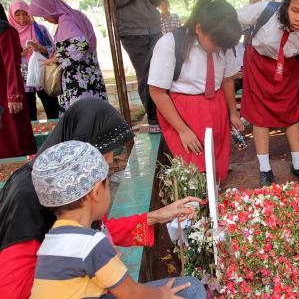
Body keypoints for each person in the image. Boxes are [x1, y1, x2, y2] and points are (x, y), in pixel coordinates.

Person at [0, 98, 202, 299]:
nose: (111, 159)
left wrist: (156, 216)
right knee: (190, 289)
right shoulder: (25, 196)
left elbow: (84, 235)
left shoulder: (57, 194)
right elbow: (13, 290)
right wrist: (92, 267)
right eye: (105, 149)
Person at [30, 141, 205, 299]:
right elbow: (133, 294)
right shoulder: (92, 244)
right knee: (192, 289)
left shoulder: (49, 242)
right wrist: (162, 294)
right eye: (108, 182)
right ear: (96, 192)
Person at [237, 0, 299, 186]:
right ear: (286, 6)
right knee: (260, 117)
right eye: (295, 10)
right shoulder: (265, 10)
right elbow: (233, 20)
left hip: (287, 68)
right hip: (258, 64)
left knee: (291, 113)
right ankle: (265, 170)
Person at [148, 0, 243, 182]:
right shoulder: (170, 44)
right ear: (198, 28)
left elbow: (227, 81)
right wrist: (182, 130)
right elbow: (157, 92)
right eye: (215, 43)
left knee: (216, 160)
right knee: (192, 167)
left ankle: (214, 198)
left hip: (216, 106)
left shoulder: (224, 43)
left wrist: (232, 113)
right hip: (183, 111)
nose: (218, 49)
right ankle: (196, 203)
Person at [28, 0, 108, 114]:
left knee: (82, 118)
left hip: (80, 81)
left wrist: (56, 59)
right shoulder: (75, 15)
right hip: (91, 75)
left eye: (44, 14)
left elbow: (81, 45)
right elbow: (71, 45)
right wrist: (44, 50)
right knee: (95, 115)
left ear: (50, 8)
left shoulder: (66, 21)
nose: (45, 19)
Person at [110, 0, 164, 133]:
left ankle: (166, 115)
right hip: (132, 31)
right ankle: (154, 119)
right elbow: (113, 0)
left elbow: (158, 0)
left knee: (163, 73)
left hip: (154, 27)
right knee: (146, 75)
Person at [8, 0, 60, 120]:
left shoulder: (39, 29)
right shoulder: (10, 33)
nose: (22, 17)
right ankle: (32, 138)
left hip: (42, 74)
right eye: (17, 14)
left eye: (25, 13)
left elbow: (54, 49)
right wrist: (20, 54)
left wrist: (41, 48)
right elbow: (7, 56)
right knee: (28, 114)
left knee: (52, 109)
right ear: (11, 15)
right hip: (22, 79)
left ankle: (56, 136)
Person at [0, 2, 36, 159]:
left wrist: (14, 95)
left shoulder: (5, 32)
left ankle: (17, 175)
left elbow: (12, 65)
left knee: (13, 135)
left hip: (6, 92)